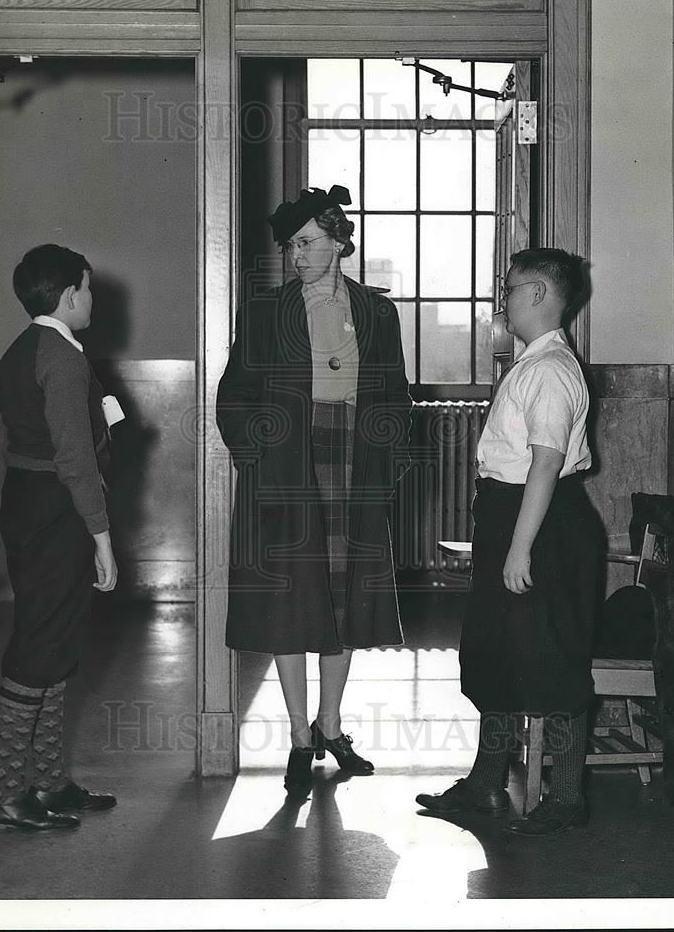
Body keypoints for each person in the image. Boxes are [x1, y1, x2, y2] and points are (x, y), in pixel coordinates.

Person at [217, 185, 412, 795]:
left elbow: (396, 395)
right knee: (291, 606)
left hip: (355, 464)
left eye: (306, 243)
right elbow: (233, 398)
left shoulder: (379, 314)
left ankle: (331, 724)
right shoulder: (263, 313)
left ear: (337, 242)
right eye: (289, 247)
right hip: (289, 469)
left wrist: (389, 454)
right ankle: (300, 737)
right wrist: (262, 458)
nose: (295, 256)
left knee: (342, 599)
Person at [416, 247, 604, 836]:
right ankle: (485, 785)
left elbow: (545, 465)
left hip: (542, 525)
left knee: (552, 658)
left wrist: (520, 549)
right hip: (514, 517)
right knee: (494, 652)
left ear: (541, 295)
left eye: (511, 288)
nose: (504, 301)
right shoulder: (533, 363)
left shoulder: (550, 369)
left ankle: (568, 800)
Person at [0, 244, 119, 832]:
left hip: (31, 503)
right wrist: (102, 537)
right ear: (69, 296)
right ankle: (7, 794)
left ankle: (48, 783)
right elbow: (75, 460)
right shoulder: (60, 356)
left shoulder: (26, 349)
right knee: (39, 644)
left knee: (56, 640)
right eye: (88, 288)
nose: (92, 298)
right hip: (55, 510)